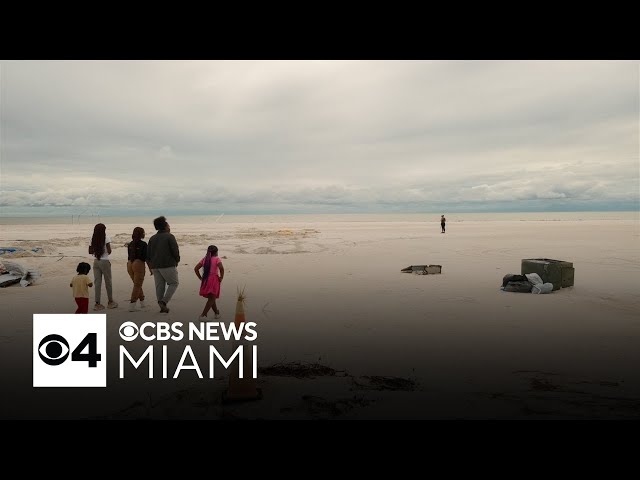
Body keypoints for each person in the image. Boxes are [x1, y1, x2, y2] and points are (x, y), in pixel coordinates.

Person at [147, 216, 180, 313]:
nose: (169, 226)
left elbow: (148, 255)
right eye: (168, 224)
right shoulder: (170, 236)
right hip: (168, 264)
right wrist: (177, 261)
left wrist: (150, 266)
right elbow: (175, 251)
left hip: (155, 266)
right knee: (174, 283)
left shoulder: (152, 238)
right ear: (165, 226)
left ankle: (161, 304)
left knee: (159, 286)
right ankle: (164, 302)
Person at [89, 223, 118, 310]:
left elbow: (90, 251)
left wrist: (96, 251)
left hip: (96, 261)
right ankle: (110, 302)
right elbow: (109, 251)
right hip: (104, 261)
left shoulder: (92, 238)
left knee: (97, 283)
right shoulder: (106, 238)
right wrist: (104, 253)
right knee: (108, 282)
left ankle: (97, 303)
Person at [126, 227, 153, 312]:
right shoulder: (144, 244)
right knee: (137, 285)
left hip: (129, 264)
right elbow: (147, 258)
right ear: (142, 234)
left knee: (137, 284)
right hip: (138, 264)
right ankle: (132, 305)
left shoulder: (130, 244)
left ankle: (142, 302)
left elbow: (129, 256)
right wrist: (150, 269)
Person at [195, 245, 224, 320]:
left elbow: (196, 269)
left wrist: (201, 278)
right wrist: (221, 277)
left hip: (206, 279)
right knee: (212, 298)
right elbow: (221, 268)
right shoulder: (217, 259)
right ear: (216, 252)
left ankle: (216, 313)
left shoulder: (204, 259)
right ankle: (203, 315)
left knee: (212, 297)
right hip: (214, 280)